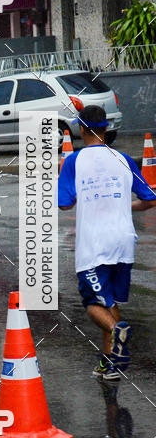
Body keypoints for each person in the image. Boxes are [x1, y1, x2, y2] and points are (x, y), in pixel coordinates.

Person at [58, 104, 156, 380]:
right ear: (105, 129)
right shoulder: (124, 158)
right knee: (109, 301)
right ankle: (111, 361)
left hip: (95, 245)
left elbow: (64, 204)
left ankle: (118, 332)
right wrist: (124, 202)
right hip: (123, 242)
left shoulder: (74, 161)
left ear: (80, 129)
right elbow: (150, 199)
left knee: (93, 303)